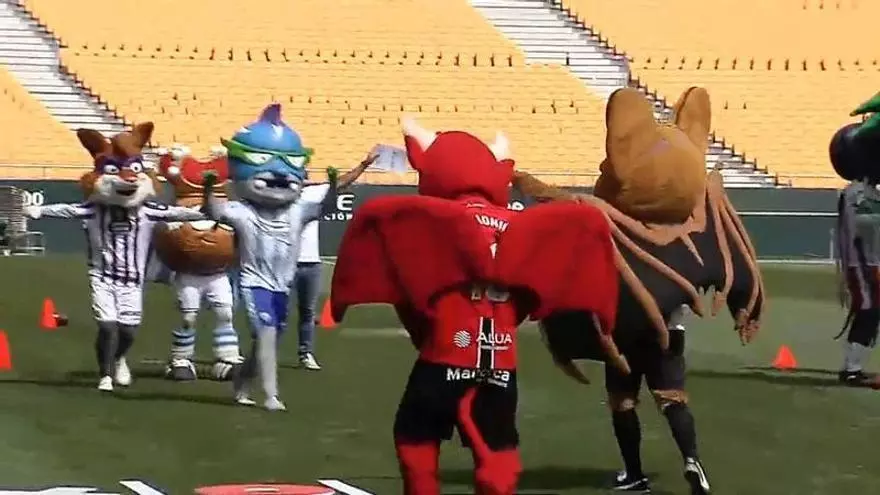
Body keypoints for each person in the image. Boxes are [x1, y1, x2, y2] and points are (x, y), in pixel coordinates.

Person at [25, 124, 206, 392]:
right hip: (102, 276)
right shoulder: (95, 210)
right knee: (108, 326)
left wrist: (206, 212)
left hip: (133, 280)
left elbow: (176, 214)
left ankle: (120, 357)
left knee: (128, 331)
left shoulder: (148, 211)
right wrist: (40, 211)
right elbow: (68, 210)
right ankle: (105, 374)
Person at [202, 103, 339, 411]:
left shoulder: (298, 211)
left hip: (282, 286)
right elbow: (213, 211)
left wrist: (331, 186)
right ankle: (271, 395)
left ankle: (243, 380)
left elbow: (325, 209)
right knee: (265, 334)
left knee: (268, 342)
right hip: (255, 284)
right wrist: (209, 188)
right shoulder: (243, 212)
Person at [607, 305, 709, 494]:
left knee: (623, 400)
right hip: (670, 331)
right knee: (671, 398)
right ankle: (691, 460)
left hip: (625, 329)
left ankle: (634, 474)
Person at [294, 155, 375, 371]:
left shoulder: (314, 192)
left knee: (308, 312)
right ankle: (266, 353)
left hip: (310, 262)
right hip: (284, 261)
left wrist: (364, 165)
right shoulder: (279, 195)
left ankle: (305, 353)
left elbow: (342, 183)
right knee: (278, 311)